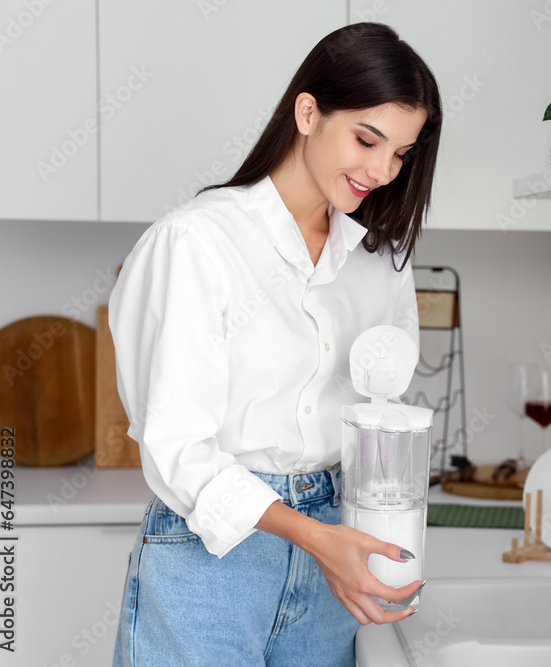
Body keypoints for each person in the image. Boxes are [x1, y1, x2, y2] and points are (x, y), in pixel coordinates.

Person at [107, 22, 442, 666]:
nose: (381, 170)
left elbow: (380, 411)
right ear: (308, 112)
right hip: (213, 562)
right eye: (367, 139)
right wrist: (316, 538)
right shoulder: (197, 245)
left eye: (400, 153)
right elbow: (176, 447)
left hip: (333, 555)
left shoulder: (379, 264)